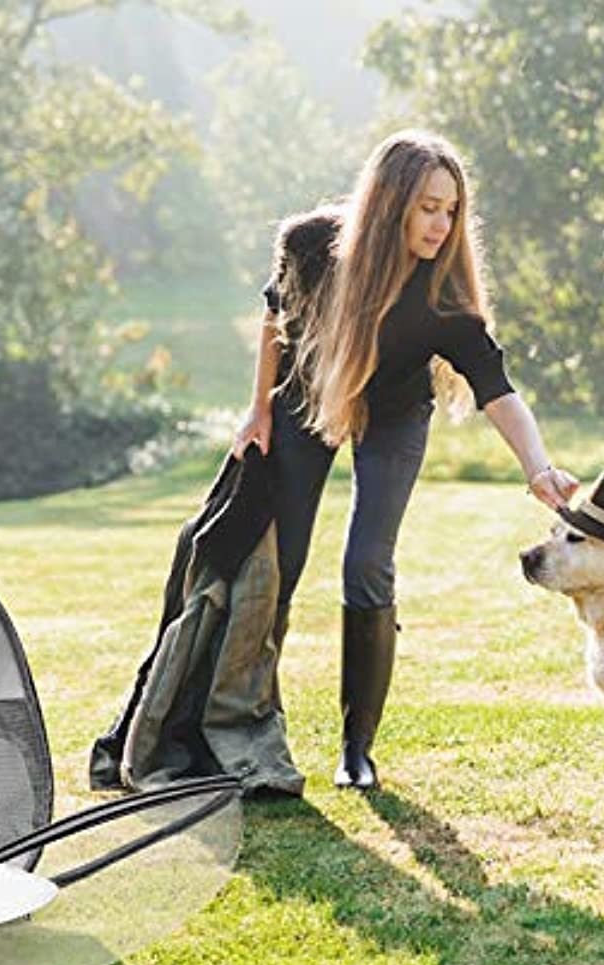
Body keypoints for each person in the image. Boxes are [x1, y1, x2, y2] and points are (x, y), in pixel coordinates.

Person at [231, 128, 579, 790]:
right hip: (311, 398)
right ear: (391, 203)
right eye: (428, 207)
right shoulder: (313, 246)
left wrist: (538, 468)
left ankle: (356, 749)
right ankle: (252, 729)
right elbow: (276, 318)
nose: (441, 224)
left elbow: (499, 392)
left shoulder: (443, 303)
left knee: (367, 562)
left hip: (395, 416)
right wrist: (258, 409)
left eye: (451, 210)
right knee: (283, 560)